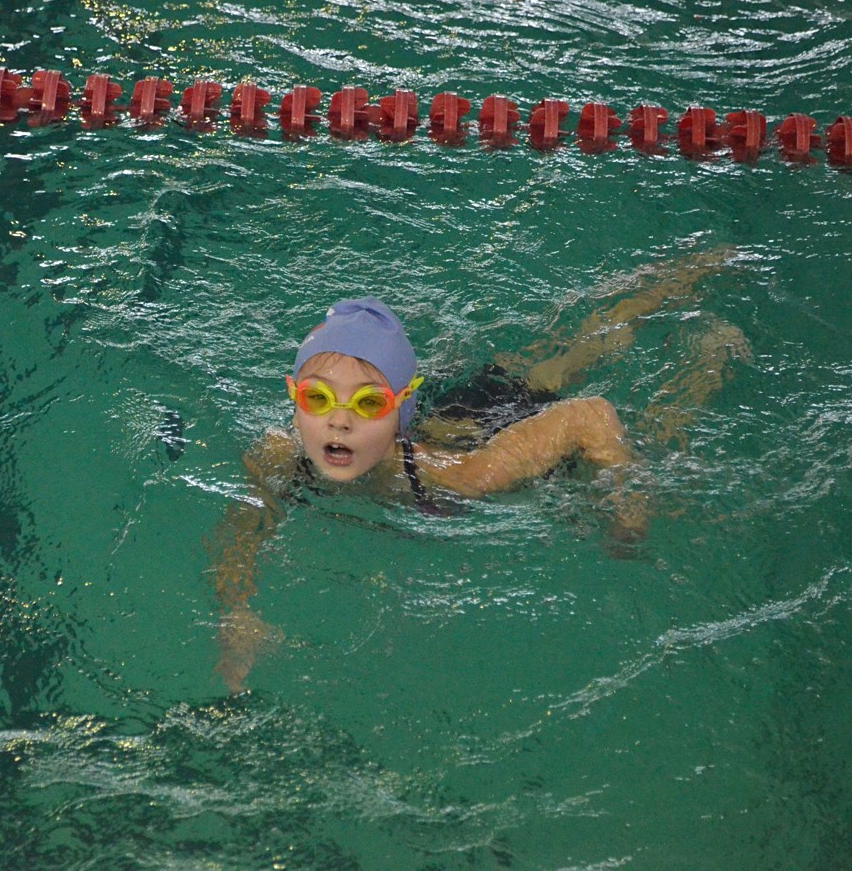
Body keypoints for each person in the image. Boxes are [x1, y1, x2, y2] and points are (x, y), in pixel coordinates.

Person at [211, 248, 748, 693]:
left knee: (630, 399)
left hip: (495, 422)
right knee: (553, 360)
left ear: (397, 413)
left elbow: (591, 415)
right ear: (294, 401)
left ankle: (707, 339)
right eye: (318, 398)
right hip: (445, 415)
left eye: (369, 403)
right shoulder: (277, 455)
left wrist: (626, 505)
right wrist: (237, 611)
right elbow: (243, 532)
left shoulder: (461, 474)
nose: (340, 421)